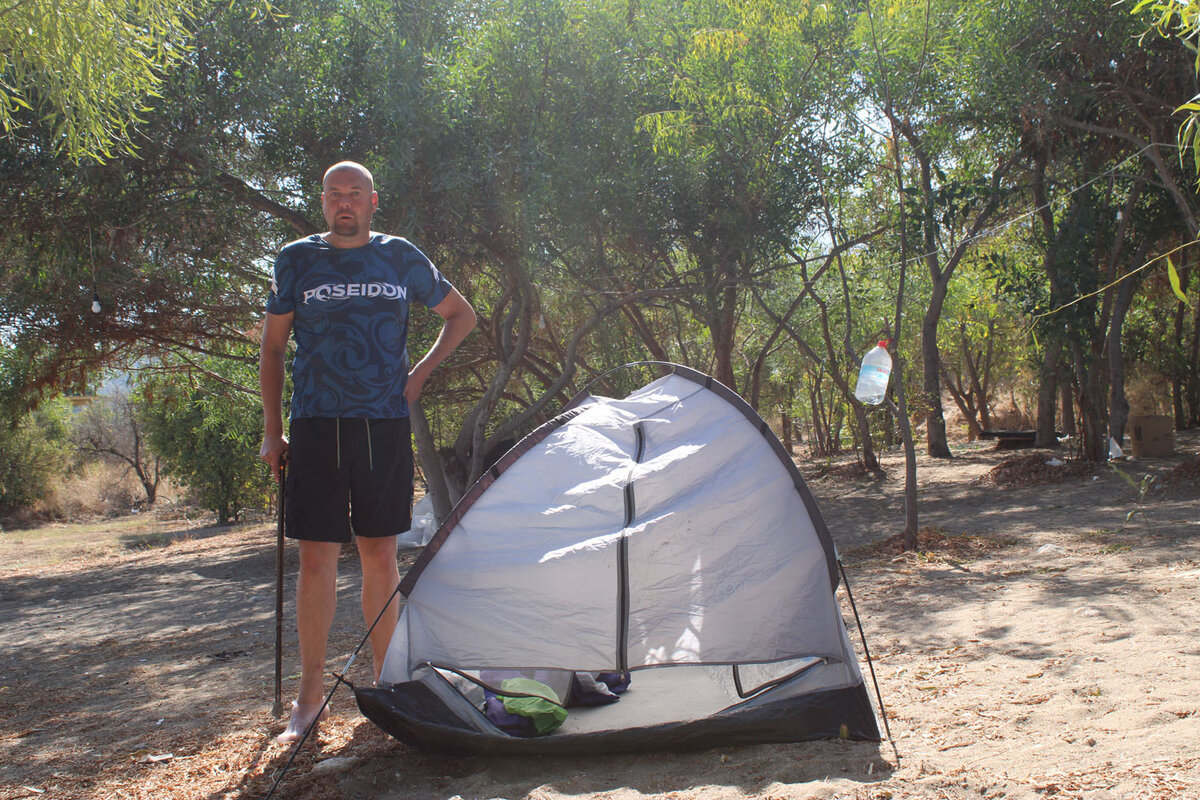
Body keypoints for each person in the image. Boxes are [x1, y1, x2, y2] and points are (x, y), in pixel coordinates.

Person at [259, 160, 476, 744]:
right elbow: (274, 350)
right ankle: (309, 699)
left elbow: (461, 316)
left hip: (382, 423)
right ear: (323, 202)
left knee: (381, 555)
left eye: (355, 193)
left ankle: (386, 686)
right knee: (316, 560)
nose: (345, 203)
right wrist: (272, 429)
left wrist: (420, 375)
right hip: (313, 424)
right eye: (335, 195)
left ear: (373, 200)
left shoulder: (400, 255)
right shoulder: (295, 259)